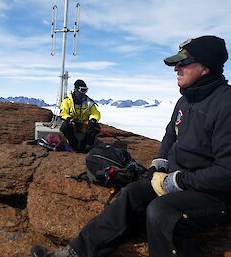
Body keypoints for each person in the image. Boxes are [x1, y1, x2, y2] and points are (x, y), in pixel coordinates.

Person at [30, 35, 231, 257]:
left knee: (161, 211)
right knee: (132, 193)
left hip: (215, 195)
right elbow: (169, 137)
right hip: (180, 181)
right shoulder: (186, 100)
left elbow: (226, 172)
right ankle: (78, 252)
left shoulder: (225, 104)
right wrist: (159, 164)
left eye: (183, 63)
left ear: (205, 67)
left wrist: (177, 181)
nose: (177, 69)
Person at [59, 79, 101, 153]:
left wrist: (93, 120)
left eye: (86, 90)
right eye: (82, 90)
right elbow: (63, 113)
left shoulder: (89, 102)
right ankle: (73, 144)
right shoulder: (67, 101)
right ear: (76, 89)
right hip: (72, 123)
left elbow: (95, 113)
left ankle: (85, 145)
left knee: (96, 127)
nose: (84, 93)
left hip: (84, 123)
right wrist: (70, 119)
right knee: (64, 127)